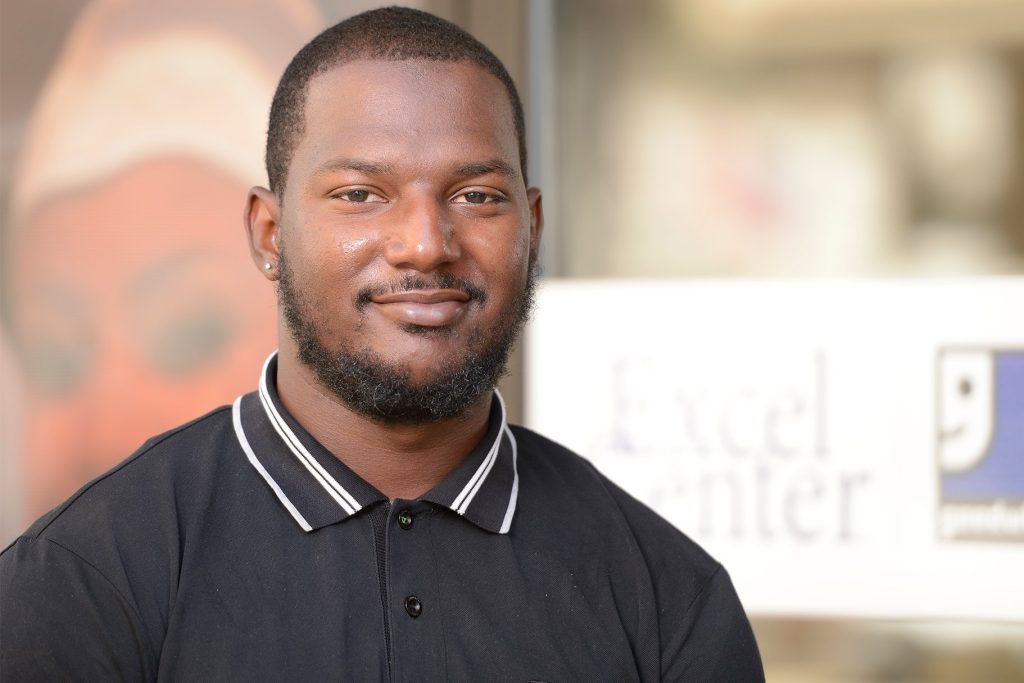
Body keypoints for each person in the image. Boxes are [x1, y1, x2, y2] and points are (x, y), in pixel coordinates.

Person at [0, 7, 764, 680]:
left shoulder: (665, 596)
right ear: (270, 233)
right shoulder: (85, 580)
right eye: (361, 194)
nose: (425, 245)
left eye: (476, 196)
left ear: (532, 228)